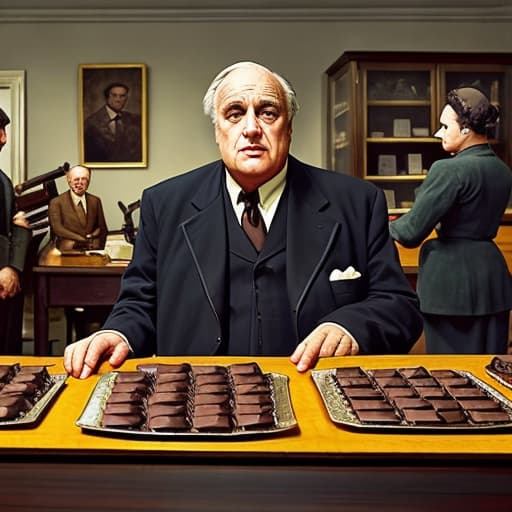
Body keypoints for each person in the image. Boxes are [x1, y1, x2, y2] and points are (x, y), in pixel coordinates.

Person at [64, 61, 422, 379]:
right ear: (217, 129)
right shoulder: (164, 204)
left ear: (289, 127)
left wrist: (350, 326)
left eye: (268, 112)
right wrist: (117, 333)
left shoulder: (358, 202)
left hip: (317, 404)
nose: (251, 128)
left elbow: (400, 307)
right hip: (196, 408)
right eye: (235, 113)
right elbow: (139, 304)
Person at [390, 86, 512, 354]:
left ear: (467, 129)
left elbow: (411, 232)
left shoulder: (448, 169)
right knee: (491, 372)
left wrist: (376, 225)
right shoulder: (502, 170)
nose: (438, 133)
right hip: (493, 280)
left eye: (445, 127)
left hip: (450, 284)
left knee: (452, 377)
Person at [0, 107, 31, 354]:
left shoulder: (3, 179)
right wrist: (5, 268)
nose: (4, 139)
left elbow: (14, 227)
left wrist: (13, 267)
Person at [48, 164, 108, 252]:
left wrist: (93, 237)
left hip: (92, 251)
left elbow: (102, 228)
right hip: (67, 251)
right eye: (76, 179)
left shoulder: (95, 201)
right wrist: (81, 239)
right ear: (69, 181)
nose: (80, 183)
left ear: (89, 181)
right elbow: (58, 229)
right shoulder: (56, 202)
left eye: (84, 179)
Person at [84, 82, 142, 163]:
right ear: (107, 97)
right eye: (114, 95)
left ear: (126, 98)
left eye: (122, 96)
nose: (118, 100)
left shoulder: (135, 120)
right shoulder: (91, 123)